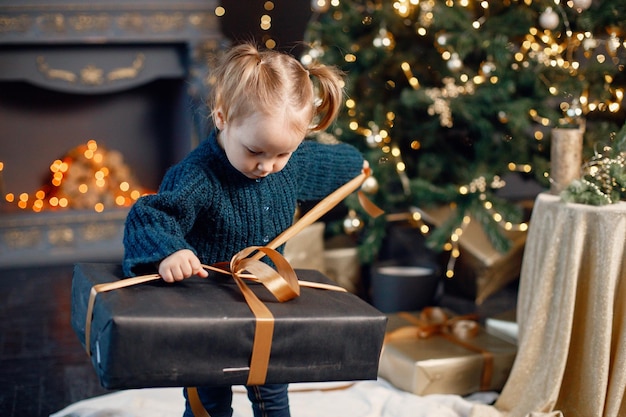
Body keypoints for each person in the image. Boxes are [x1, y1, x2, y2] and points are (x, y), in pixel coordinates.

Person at [122, 42, 367, 417]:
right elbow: (152, 215)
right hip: (209, 306)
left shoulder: (293, 163)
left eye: (282, 154)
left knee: (272, 390)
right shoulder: (198, 176)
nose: (268, 166)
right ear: (222, 118)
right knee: (209, 398)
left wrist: (360, 167)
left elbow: (337, 162)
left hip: (266, 298)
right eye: (255, 151)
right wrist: (170, 250)